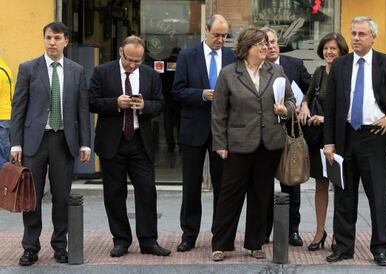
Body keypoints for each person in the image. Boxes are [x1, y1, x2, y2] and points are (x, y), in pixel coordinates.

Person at [324, 16, 386, 266]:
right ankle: (343, 246)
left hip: (375, 137)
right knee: (344, 195)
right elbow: (330, 107)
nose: (356, 38)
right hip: (344, 137)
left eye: (362, 34)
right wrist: (328, 142)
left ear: (373, 37)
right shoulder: (340, 65)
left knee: (377, 195)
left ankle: (381, 248)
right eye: (353, 33)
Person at [210, 28, 296, 261]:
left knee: (262, 194)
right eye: (260, 44)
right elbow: (218, 113)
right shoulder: (229, 73)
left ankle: (255, 243)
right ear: (247, 48)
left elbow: (291, 100)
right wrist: (220, 143)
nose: (265, 47)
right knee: (230, 195)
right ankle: (220, 243)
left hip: (269, 144)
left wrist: (285, 110)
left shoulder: (276, 70)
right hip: (238, 143)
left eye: (266, 43)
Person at [10, 22, 91, 266]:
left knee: (61, 197)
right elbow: (19, 108)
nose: (52, 42)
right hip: (34, 142)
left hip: (63, 141)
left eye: (57, 38)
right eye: (48, 38)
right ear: (43, 40)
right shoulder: (28, 69)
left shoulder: (77, 70)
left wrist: (85, 144)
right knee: (31, 197)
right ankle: (30, 247)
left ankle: (60, 245)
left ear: (66, 41)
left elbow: (82, 110)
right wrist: (16, 144)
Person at [89, 35, 170, 257]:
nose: (133, 65)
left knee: (147, 191)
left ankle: (148, 241)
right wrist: (115, 103)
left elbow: (161, 104)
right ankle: (121, 240)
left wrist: (145, 106)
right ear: (120, 53)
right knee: (114, 193)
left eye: (138, 61)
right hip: (111, 142)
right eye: (129, 60)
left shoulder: (151, 75)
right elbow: (91, 101)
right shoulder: (102, 72)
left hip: (139, 141)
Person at [172, 14, 237, 252]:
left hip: (223, 130)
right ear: (206, 30)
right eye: (216, 34)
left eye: (224, 35)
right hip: (193, 128)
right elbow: (177, 91)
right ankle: (189, 234)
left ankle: (219, 236)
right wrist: (202, 94)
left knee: (223, 185)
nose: (221, 39)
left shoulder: (232, 57)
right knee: (191, 185)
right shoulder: (188, 56)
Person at [298, 32, 349, 251]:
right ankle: (320, 232)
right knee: (320, 184)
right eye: (326, 48)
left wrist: (325, 118)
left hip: (342, 138)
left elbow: (348, 110)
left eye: (333, 49)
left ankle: (340, 233)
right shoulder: (319, 72)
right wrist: (305, 106)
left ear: (341, 51)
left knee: (341, 187)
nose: (329, 52)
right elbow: (308, 96)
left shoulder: (348, 73)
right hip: (320, 139)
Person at [262, 27, 311, 246]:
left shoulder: (294, 65)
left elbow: (311, 90)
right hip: (263, 135)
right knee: (262, 186)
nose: (270, 46)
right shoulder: (256, 68)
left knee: (291, 184)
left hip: (290, 134)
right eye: (265, 42)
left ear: (277, 43)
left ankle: (293, 230)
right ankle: (263, 232)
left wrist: (306, 105)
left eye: (272, 41)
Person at [0, 55, 14, 169]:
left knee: (3, 156)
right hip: (7, 115)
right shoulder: (6, 68)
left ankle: (4, 184)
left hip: (1, 118)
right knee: (6, 153)